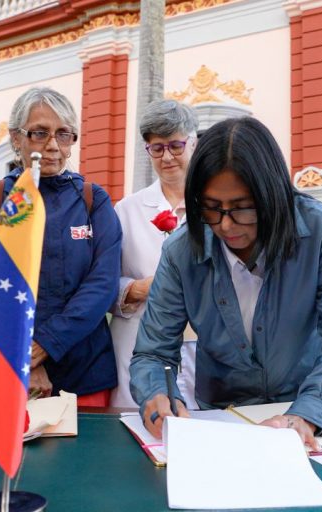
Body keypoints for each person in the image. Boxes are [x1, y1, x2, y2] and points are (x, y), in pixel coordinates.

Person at [130, 116, 322, 449]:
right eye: (211, 208)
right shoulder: (181, 251)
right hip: (221, 419)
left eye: (243, 208)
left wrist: (307, 413)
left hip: (304, 410)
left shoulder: (316, 231)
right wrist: (157, 395)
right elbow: (153, 354)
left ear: (273, 196)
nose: (226, 225)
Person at [0, 87, 122, 405]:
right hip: (9, 368)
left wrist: (45, 345)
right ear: (16, 138)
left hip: (86, 371)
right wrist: (25, 356)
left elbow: (102, 284)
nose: (53, 145)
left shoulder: (93, 200)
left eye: (64, 134)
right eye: (40, 133)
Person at [110, 100, 199, 408]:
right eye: (157, 149)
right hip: (138, 341)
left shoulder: (214, 206)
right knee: (141, 423)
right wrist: (138, 288)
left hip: (201, 349)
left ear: (193, 142)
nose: (167, 157)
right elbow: (102, 282)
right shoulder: (127, 210)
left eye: (176, 146)